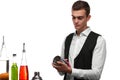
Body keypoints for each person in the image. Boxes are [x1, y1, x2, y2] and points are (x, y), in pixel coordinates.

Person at [52, 0, 106, 80]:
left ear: (88, 18)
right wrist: (59, 67)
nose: (75, 21)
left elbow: (96, 74)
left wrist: (71, 71)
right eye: (73, 17)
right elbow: (62, 73)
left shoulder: (98, 40)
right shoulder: (67, 39)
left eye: (80, 18)